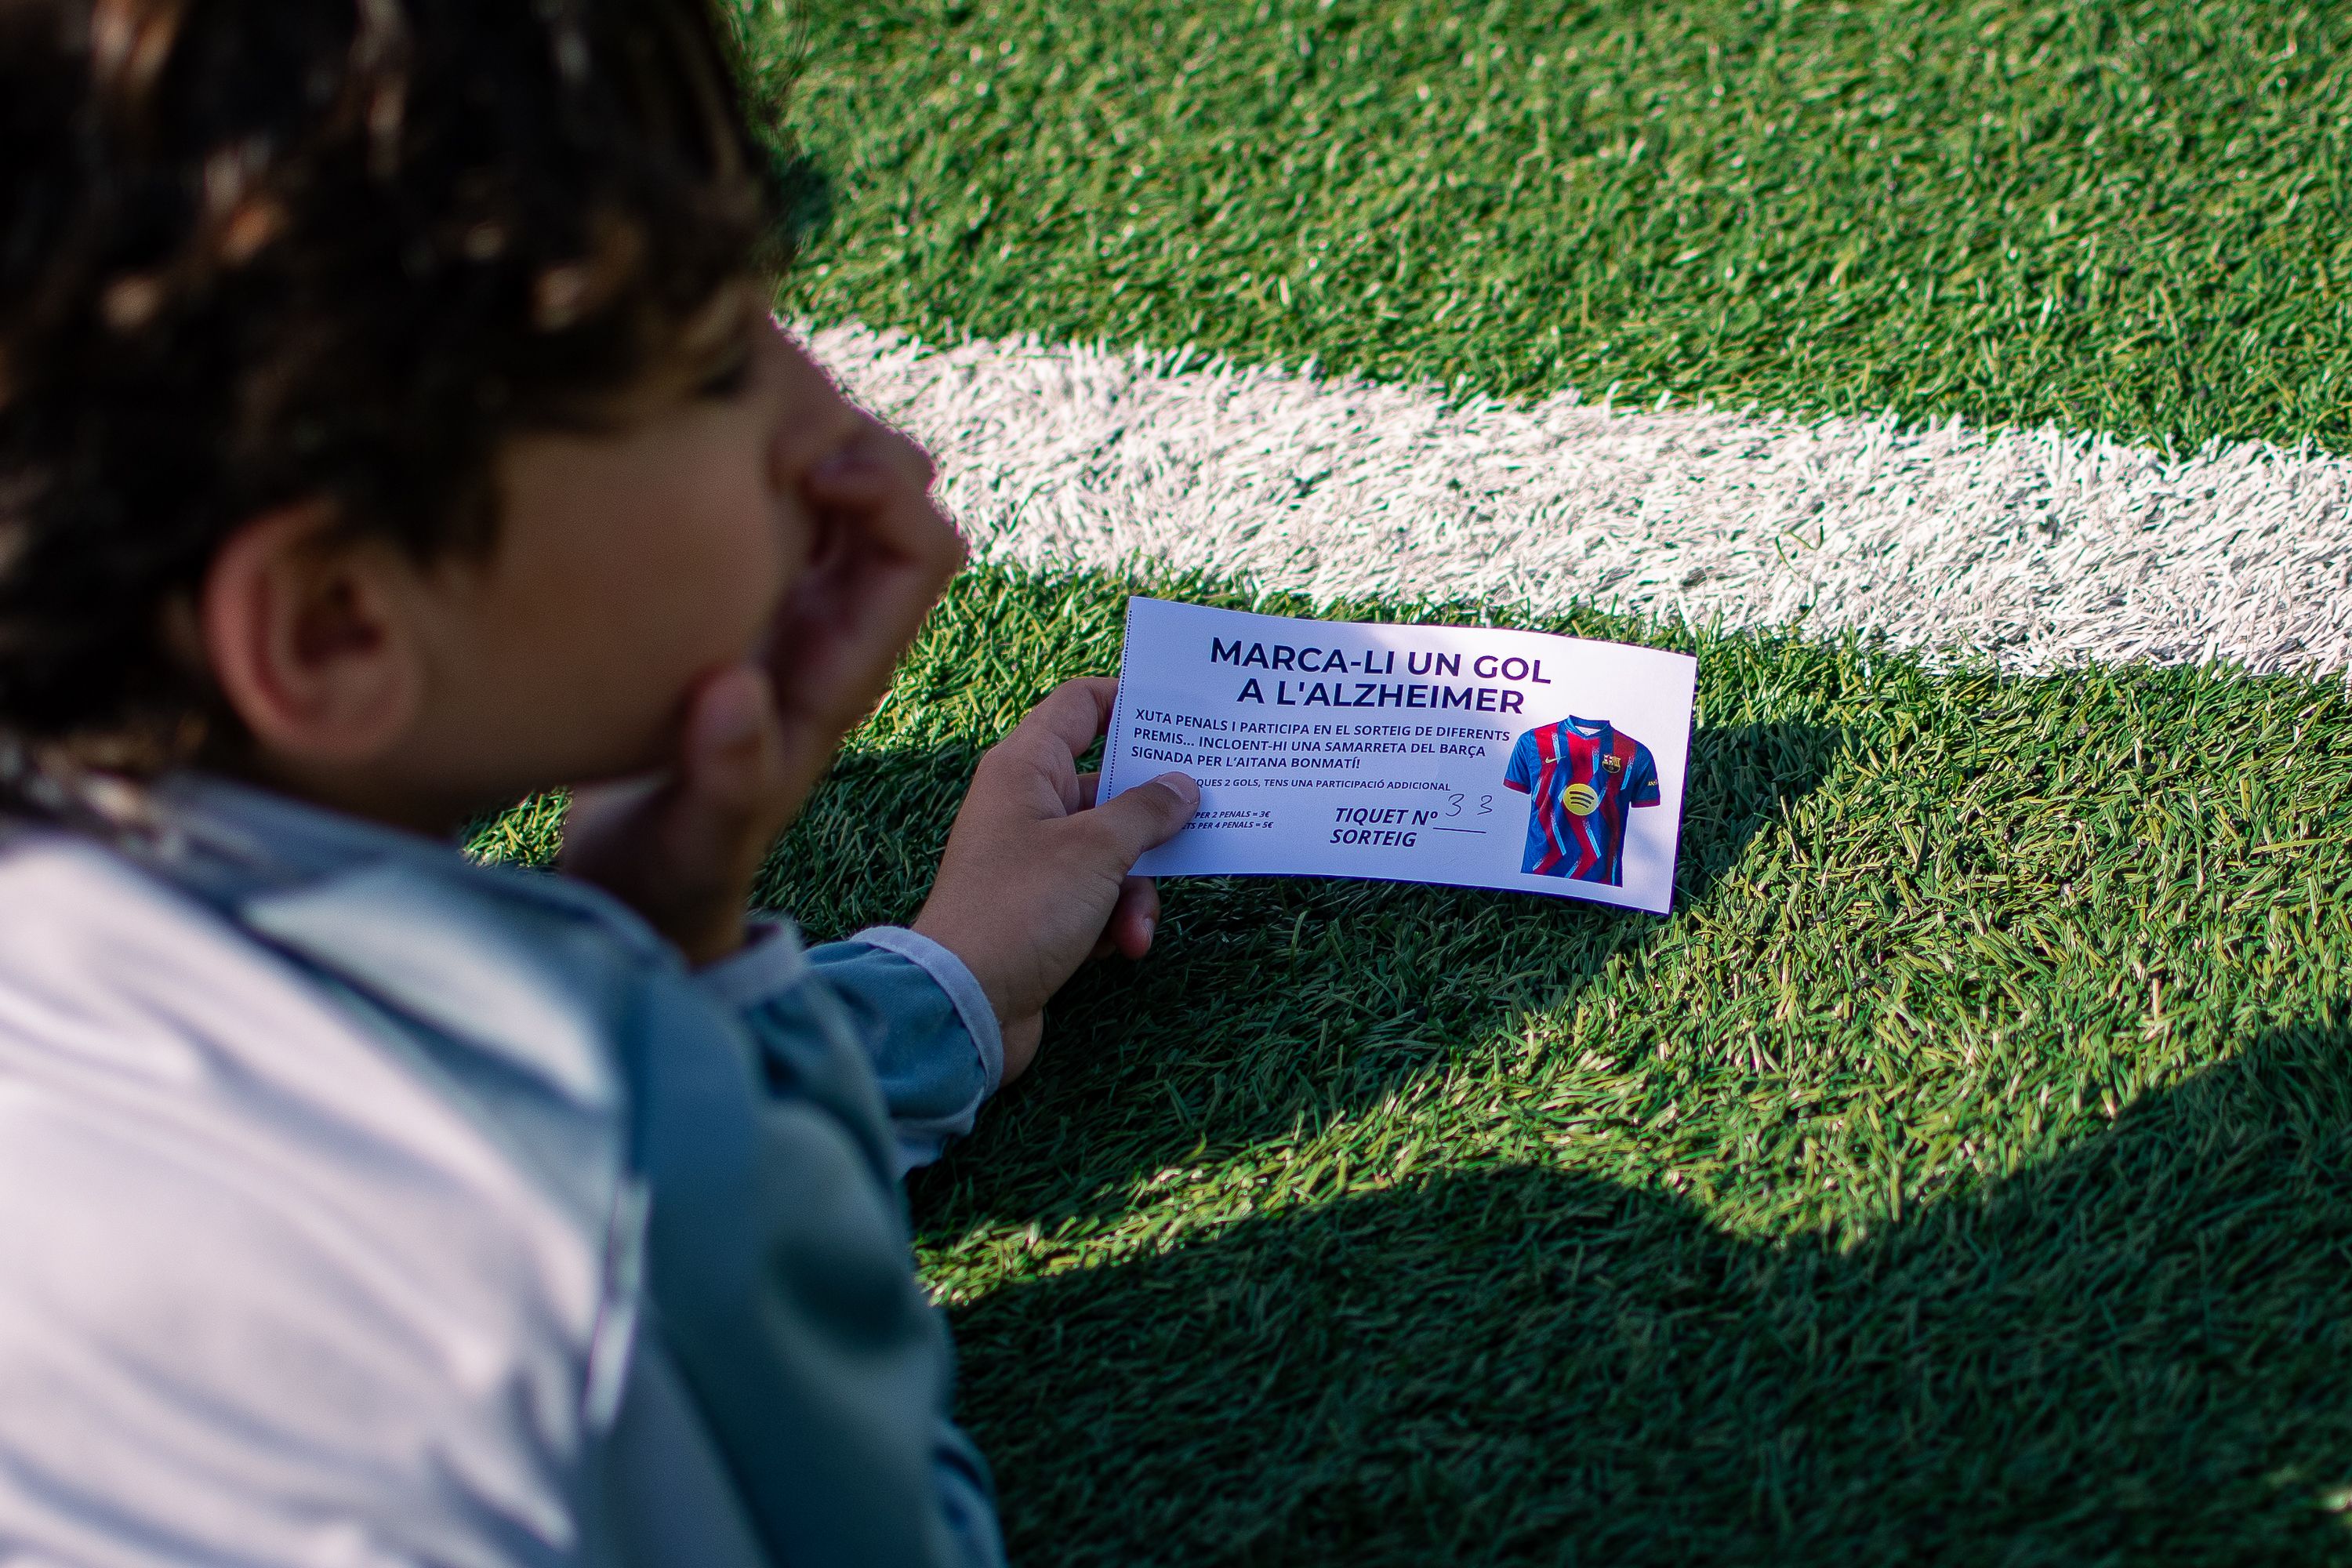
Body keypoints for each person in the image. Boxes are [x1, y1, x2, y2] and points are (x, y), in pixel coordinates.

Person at [0, 2, 1198, 1563]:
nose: (841, 425)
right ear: (337, 624)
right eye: (712, 363)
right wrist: (685, 995)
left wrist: (922, 984)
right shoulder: (584, 1207)